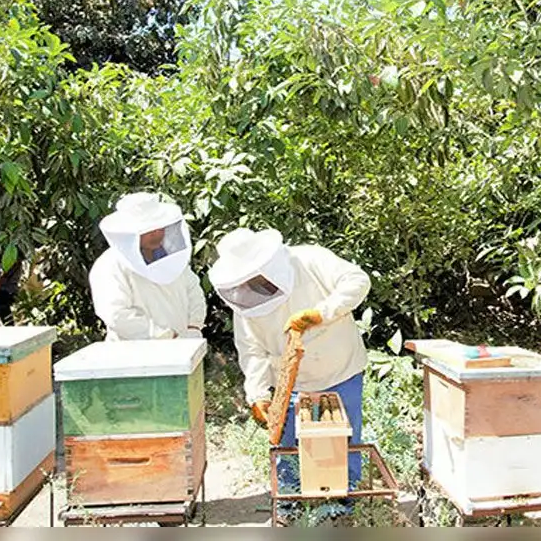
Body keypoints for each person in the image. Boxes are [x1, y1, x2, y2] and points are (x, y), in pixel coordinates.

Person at [208, 227, 371, 522]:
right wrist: (258, 395)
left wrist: (321, 313)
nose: (251, 284)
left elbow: (358, 281)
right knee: (287, 446)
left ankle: (346, 506)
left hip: (340, 368)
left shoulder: (309, 259)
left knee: (344, 439)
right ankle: (289, 504)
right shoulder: (243, 299)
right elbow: (252, 351)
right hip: (291, 382)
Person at [89, 192, 206, 341]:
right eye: (148, 229)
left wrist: (194, 326)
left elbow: (193, 290)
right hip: (134, 351)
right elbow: (116, 314)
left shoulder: (173, 257)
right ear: (130, 232)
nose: (156, 233)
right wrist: (163, 335)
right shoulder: (109, 265)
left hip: (183, 346)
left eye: (160, 227)